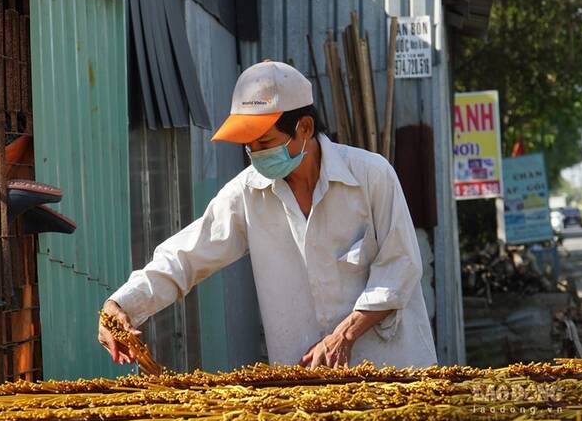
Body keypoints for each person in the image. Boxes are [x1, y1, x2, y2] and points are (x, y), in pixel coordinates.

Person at [98, 61, 437, 369]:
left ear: (304, 128)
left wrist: (343, 336)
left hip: (395, 372)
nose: (255, 155)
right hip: (306, 387)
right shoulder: (247, 193)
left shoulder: (371, 175)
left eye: (265, 142)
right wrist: (122, 305)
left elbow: (400, 267)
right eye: (249, 146)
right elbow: (186, 256)